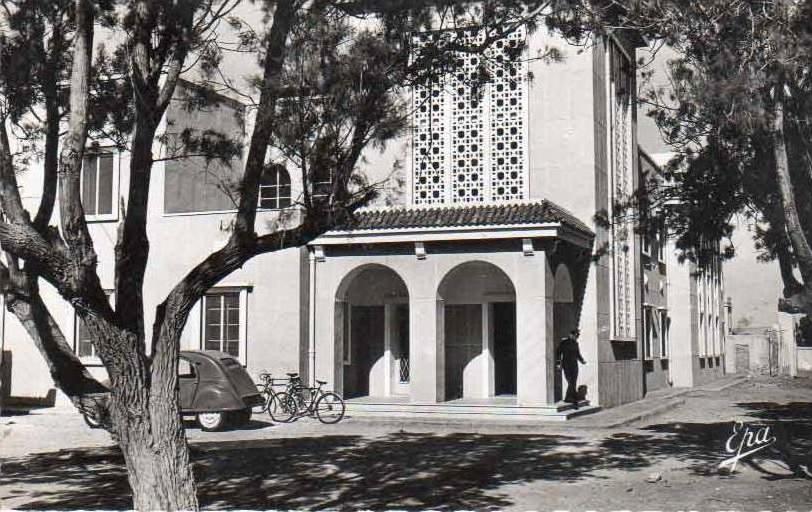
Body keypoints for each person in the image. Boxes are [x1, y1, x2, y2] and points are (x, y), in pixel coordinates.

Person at [557, 328, 586, 407]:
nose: (576, 337)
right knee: (570, 381)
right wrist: (558, 363)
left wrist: (582, 360)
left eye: (577, 336)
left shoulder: (575, 343)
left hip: (574, 364)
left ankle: (568, 398)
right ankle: (572, 399)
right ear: (571, 335)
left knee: (574, 381)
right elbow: (558, 353)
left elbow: (577, 354)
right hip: (566, 364)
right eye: (575, 335)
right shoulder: (564, 342)